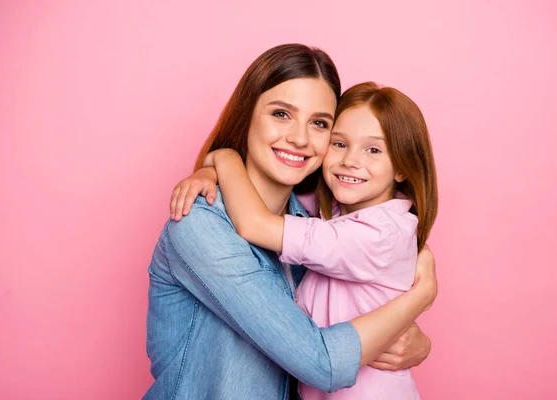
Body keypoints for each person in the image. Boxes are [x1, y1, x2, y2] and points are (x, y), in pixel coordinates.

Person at [146, 43, 437, 400]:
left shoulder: (315, 221)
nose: (299, 138)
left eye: (319, 123)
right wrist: (419, 297)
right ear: (247, 116)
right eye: (281, 114)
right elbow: (320, 362)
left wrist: (416, 343)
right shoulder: (199, 226)